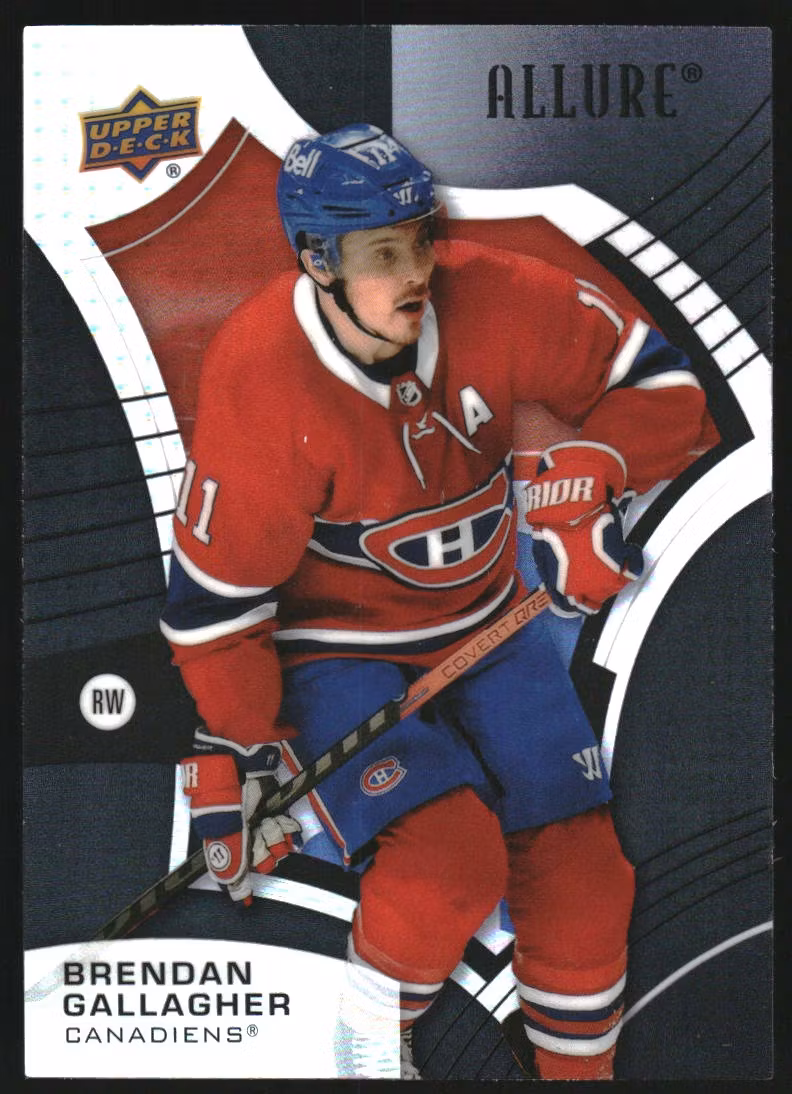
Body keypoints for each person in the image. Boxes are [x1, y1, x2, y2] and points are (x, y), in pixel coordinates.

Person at [160, 123, 714, 1079]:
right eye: (383, 253)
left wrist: (597, 470)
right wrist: (241, 746)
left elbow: (661, 382)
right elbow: (217, 606)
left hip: (494, 625)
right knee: (448, 866)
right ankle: (367, 1053)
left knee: (585, 882)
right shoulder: (262, 374)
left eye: (421, 239)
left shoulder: (494, 293)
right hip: (334, 650)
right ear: (318, 261)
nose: (416, 269)